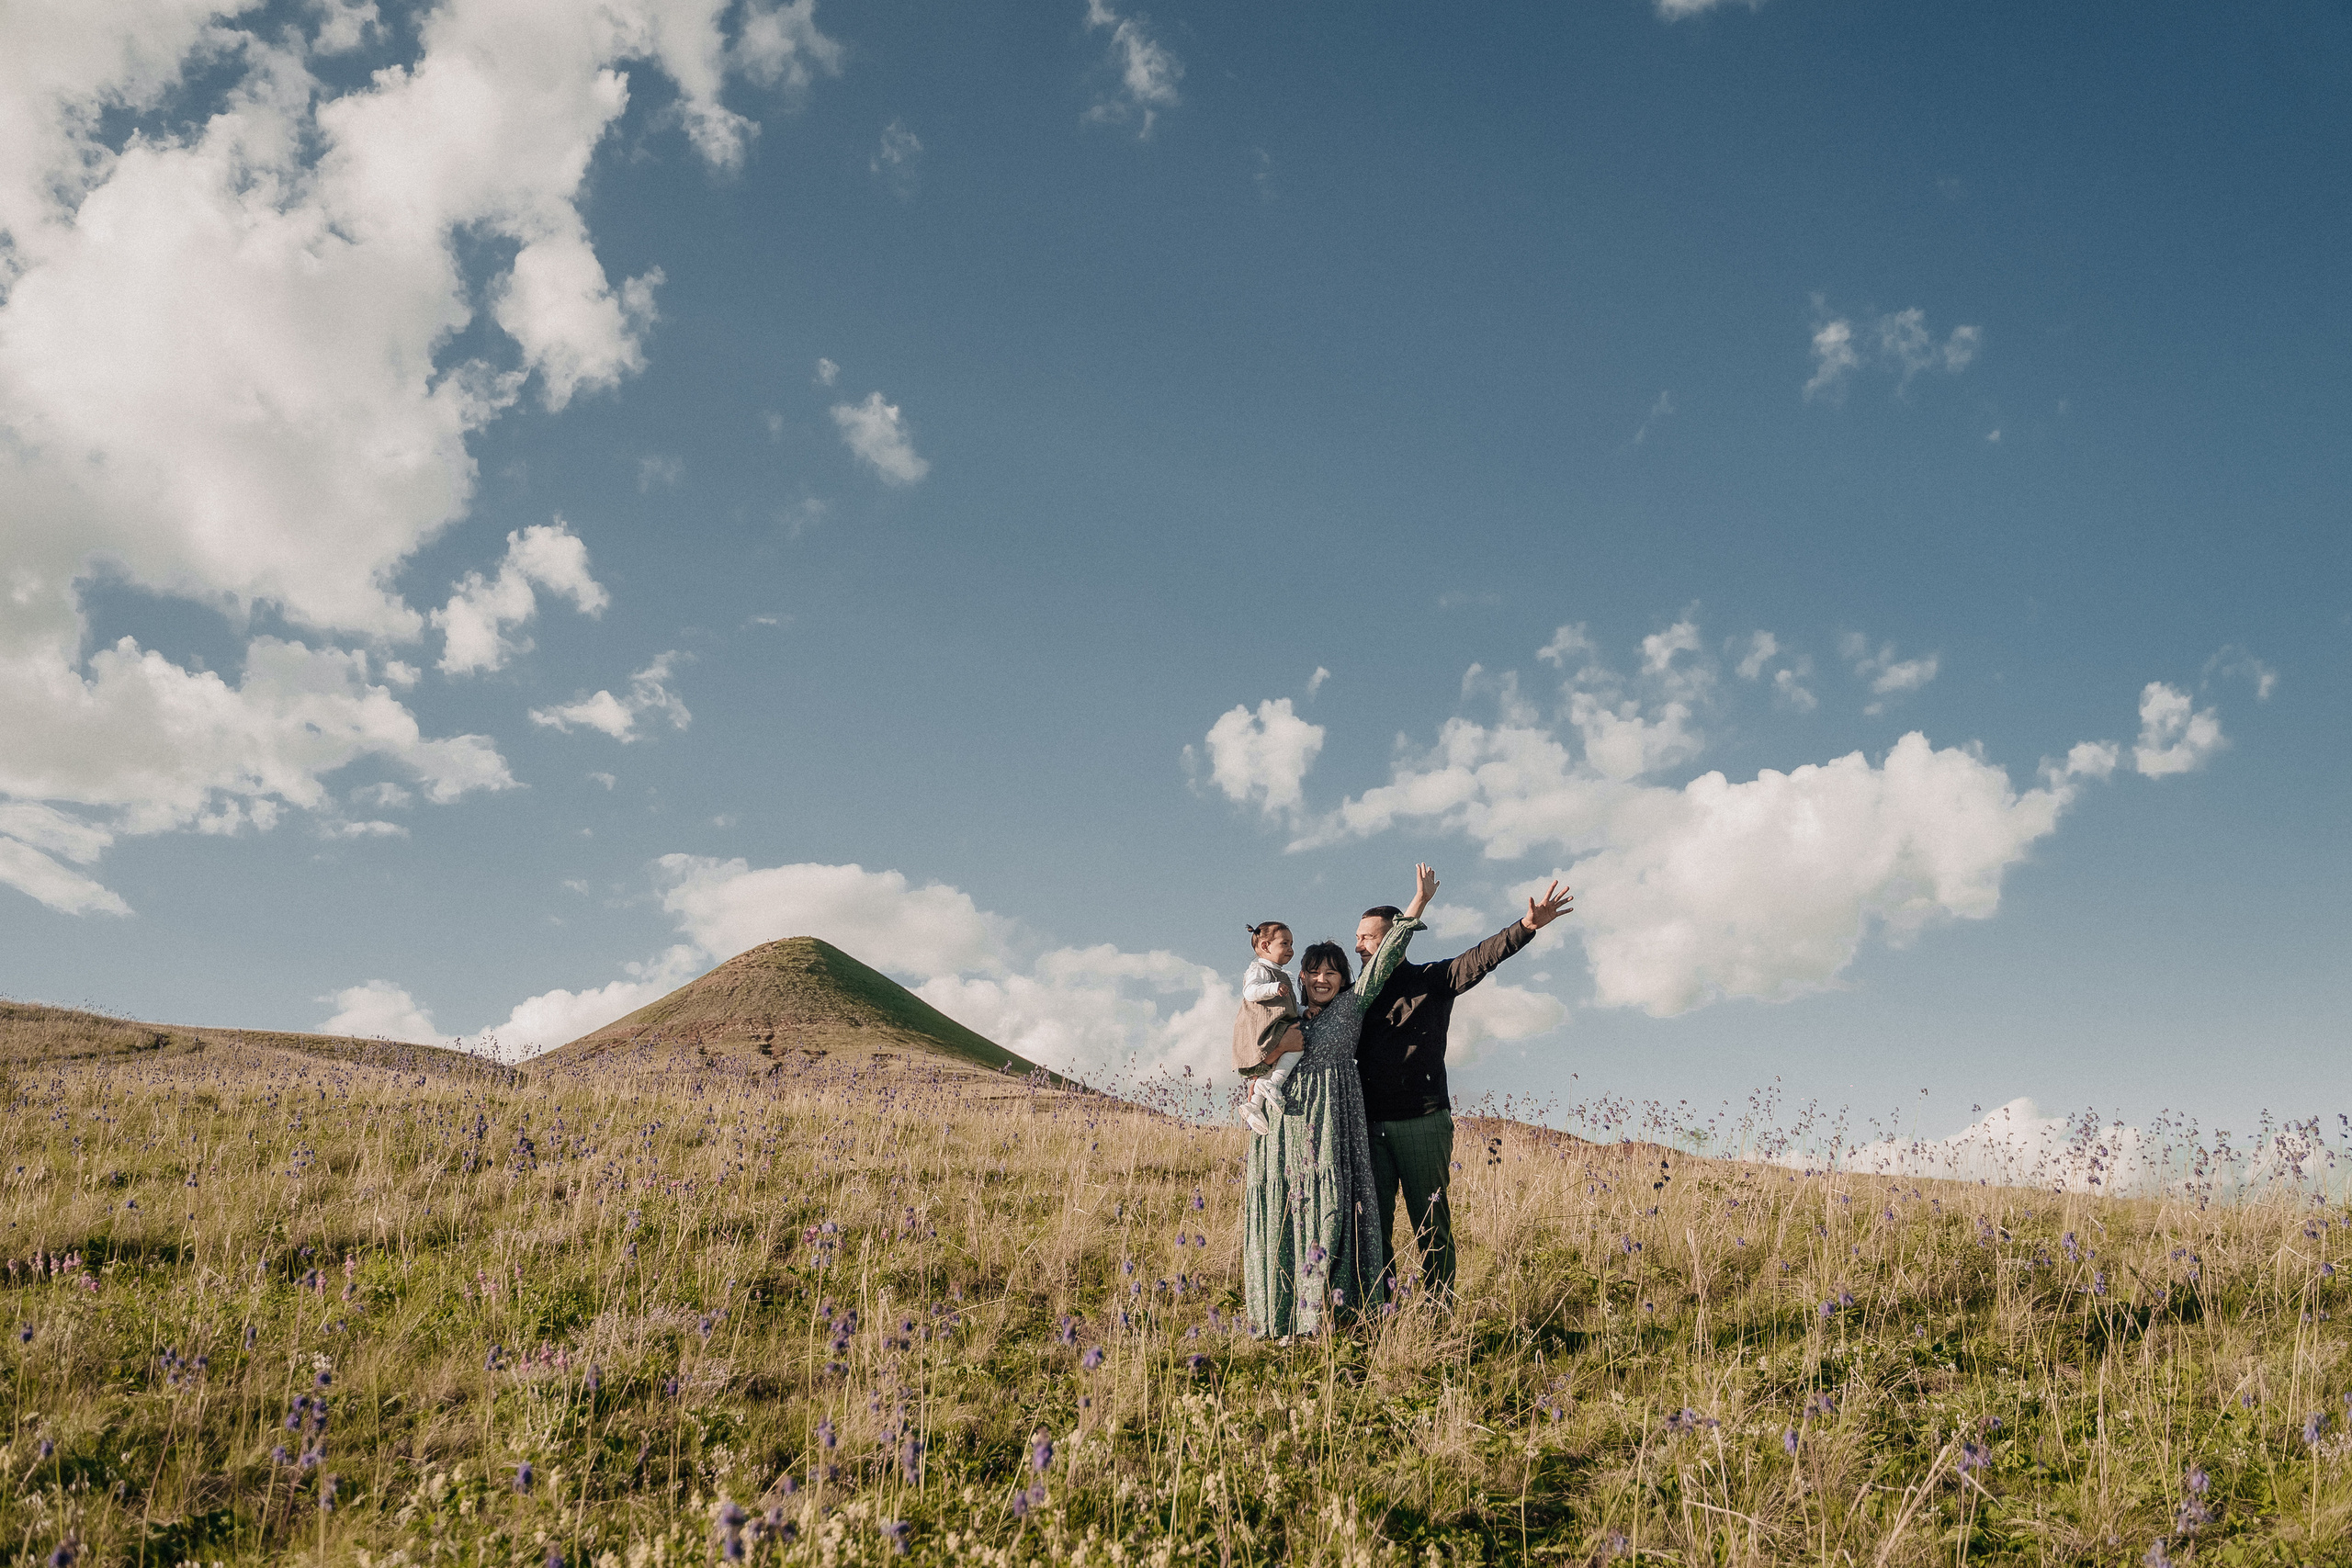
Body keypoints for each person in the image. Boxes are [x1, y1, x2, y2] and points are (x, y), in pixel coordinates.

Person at [1353, 879, 1574, 1305]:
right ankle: (1376, 1316)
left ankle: (1439, 1314)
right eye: (1357, 938)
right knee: (1372, 1228)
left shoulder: (1432, 979)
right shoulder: (1356, 996)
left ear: (1395, 938)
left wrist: (1526, 925)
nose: (1359, 946)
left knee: (1430, 1225)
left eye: (1368, 937)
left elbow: (1481, 957)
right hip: (1370, 1129)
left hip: (1422, 1121)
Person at [1240, 863, 1438, 1338]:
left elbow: (1387, 955)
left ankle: (1329, 1315)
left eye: (1332, 971)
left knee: (1330, 1209)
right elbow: (1250, 1044)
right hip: (1284, 1119)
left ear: (1345, 977)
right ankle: (1282, 1319)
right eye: (1314, 971)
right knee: (1287, 1208)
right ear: (1301, 975)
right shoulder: (1285, 1009)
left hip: (1333, 1116)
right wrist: (1261, 1072)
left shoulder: (1352, 1004)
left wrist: (1418, 903)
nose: (1323, 978)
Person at [1233, 921, 1306, 1135]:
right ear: (1265, 946)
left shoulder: (1285, 975)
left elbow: (1291, 1004)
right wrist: (1273, 988)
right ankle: (1274, 1084)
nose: (1291, 949)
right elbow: (1250, 992)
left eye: (1292, 943)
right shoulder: (1259, 969)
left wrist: (1303, 1012)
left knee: (1271, 1065)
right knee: (1296, 1047)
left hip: (1278, 1023)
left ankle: (1254, 1105)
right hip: (1264, 1026)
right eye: (1285, 943)